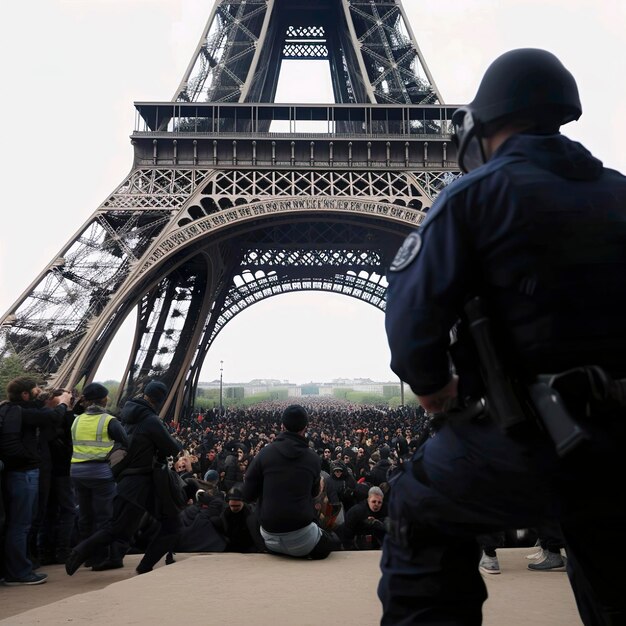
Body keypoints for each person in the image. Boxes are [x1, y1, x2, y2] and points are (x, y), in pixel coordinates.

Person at [382, 48, 626, 625]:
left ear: (482, 125)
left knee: (418, 504)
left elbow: (412, 322)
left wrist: (437, 390)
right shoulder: (620, 193)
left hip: (535, 439)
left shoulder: (472, 197)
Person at [65, 381, 182, 576]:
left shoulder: (127, 416)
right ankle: (81, 551)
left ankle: (142, 566)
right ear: (160, 400)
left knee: (132, 526)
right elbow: (172, 448)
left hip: (133, 480)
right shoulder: (151, 420)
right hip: (142, 481)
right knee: (156, 526)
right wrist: (173, 439)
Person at [0, 377, 72, 585]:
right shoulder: (23, 413)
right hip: (24, 474)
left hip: (16, 473)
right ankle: (19, 572)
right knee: (21, 524)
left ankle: (17, 567)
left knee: (18, 523)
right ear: (25, 394)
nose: (40, 392)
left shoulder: (10, 410)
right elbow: (51, 418)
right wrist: (63, 404)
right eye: (35, 389)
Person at [242, 404, 335, 559]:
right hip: (303, 537)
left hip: (269, 536)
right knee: (332, 540)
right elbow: (314, 494)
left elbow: (247, 495)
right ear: (306, 428)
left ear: (282, 426)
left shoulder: (264, 454)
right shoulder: (313, 458)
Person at [69, 382, 128, 570]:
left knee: (85, 516)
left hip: (77, 471)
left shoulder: (76, 419)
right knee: (105, 516)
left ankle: (87, 556)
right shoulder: (108, 421)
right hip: (99, 473)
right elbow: (125, 441)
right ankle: (102, 556)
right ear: (103, 399)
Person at [342, 486, 387, 550]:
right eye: (374, 501)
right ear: (368, 500)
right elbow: (347, 532)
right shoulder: (356, 511)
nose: (376, 504)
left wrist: (378, 523)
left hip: (378, 543)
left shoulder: (386, 510)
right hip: (358, 542)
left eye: (379, 502)